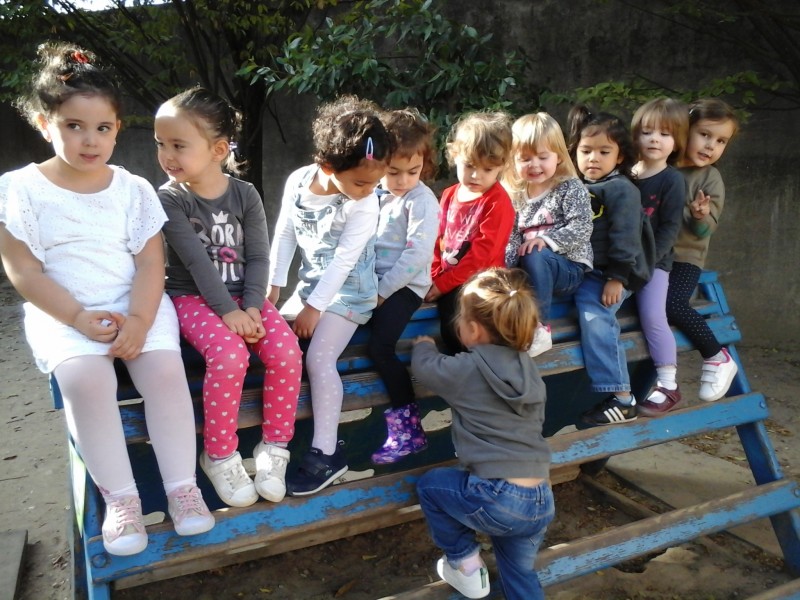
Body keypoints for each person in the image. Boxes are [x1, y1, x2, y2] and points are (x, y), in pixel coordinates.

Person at [0, 43, 215, 556]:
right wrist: (75, 315)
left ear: (118, 128)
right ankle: (121, 500)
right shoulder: (20, 189)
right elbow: (23, 269)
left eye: (103, 128)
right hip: (63, 310)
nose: (89, 140)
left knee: (165, 373)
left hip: (134, 301)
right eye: (73, 125)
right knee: (84, 379)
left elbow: (148, 262)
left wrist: (140, 319)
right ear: (42, 122)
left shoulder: (134, 188)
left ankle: (182, 486)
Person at [155, 87, 302, 507]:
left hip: (247, 298)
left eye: (179, 145)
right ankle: (219, 454)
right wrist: (228, 313)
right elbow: (197, 265)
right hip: (194, 300)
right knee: (231, 355)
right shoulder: (170, 198)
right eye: (161, 144)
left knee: (287, 353)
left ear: (218, 149)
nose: (167, 154)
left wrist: (253, 307)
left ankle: (274, 449)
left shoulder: (245, 194)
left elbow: (259, 256)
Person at [267, 95, 392, 495]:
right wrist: (273, 286)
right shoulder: (299, 182)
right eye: (361, 181)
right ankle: (274, 445)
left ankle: (325, 453)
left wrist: (313, 309)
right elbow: (285, 233)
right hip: (310, 287)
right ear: (326, 167)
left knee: (320, 358)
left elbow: (343, 262)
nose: (370, 190)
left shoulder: (364, 204)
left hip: (349, 294)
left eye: (377, 182)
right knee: (272, 344)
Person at [413, 267, 554, 600]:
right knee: (519, 575)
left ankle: (465, 564)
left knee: (431, 487)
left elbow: (426, 369)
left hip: (498, 497)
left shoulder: (468, 368)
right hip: (540, 499)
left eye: (459, 318)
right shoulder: (527, 367)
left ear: (473, 330)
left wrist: (423, 346)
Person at [567, 105, 655, 426]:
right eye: (586, 151)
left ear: (619, 157)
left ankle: (622, 397)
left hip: (614, 273)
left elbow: (626, 237)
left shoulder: (621, 189)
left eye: (604, 152)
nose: (593, 158)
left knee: (595, 315)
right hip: (585, 269)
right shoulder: (575, 188)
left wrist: (617, 278)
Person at [368, 108, 440, 465]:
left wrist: (382, 292)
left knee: (380, 348)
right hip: (372, 284)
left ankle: (409, 430)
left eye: (412, 172)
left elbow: (415, 257)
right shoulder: (375, 194)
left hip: (405, 286)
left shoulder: (422, 200)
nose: (402, 180)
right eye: (393, 172)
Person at [667, 98, 740, 402]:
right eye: (705, 135)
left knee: (673, 305)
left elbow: (705, 230)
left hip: (685, 258)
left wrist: (699, 216)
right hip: (651, 259)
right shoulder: (663, 166)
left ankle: (716, 356)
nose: (711, 146)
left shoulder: (710, 178)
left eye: (721, 141)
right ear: (686, 129)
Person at [502, 112, 593, 357]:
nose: (534, 165)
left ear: (559, 157)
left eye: (543, 157)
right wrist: (506, 268)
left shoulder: (569, 187)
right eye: (525, 159)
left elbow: (582, 228)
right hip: (532, 268)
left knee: (535, 252)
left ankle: (538, 328)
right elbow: (511, 237)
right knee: (506, 272)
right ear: (513, 161)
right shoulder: (516, 194)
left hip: (569, 268)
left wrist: (546, 241)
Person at [425, 111, 515, 355]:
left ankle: (472, 373)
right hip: (449, 279)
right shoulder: (449, 194)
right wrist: (434, 274)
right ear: (455, 155)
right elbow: (437, 238)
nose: (476, 175)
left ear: (502, 166)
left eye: (487, 169)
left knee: (458, 330)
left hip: (481, 283)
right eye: (469, 166)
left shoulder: (498, 202)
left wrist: (442, 284)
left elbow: (482, 256)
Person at [629, 98, 690, 416]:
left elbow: (669, 230)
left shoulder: (672, 180)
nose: (655, 139)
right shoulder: (626, 174)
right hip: (620, 262)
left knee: (653, 315)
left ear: (677, 141)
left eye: (665, 134)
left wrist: (647, 264)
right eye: (648, 131)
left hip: (654, 264)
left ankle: (668, 383)